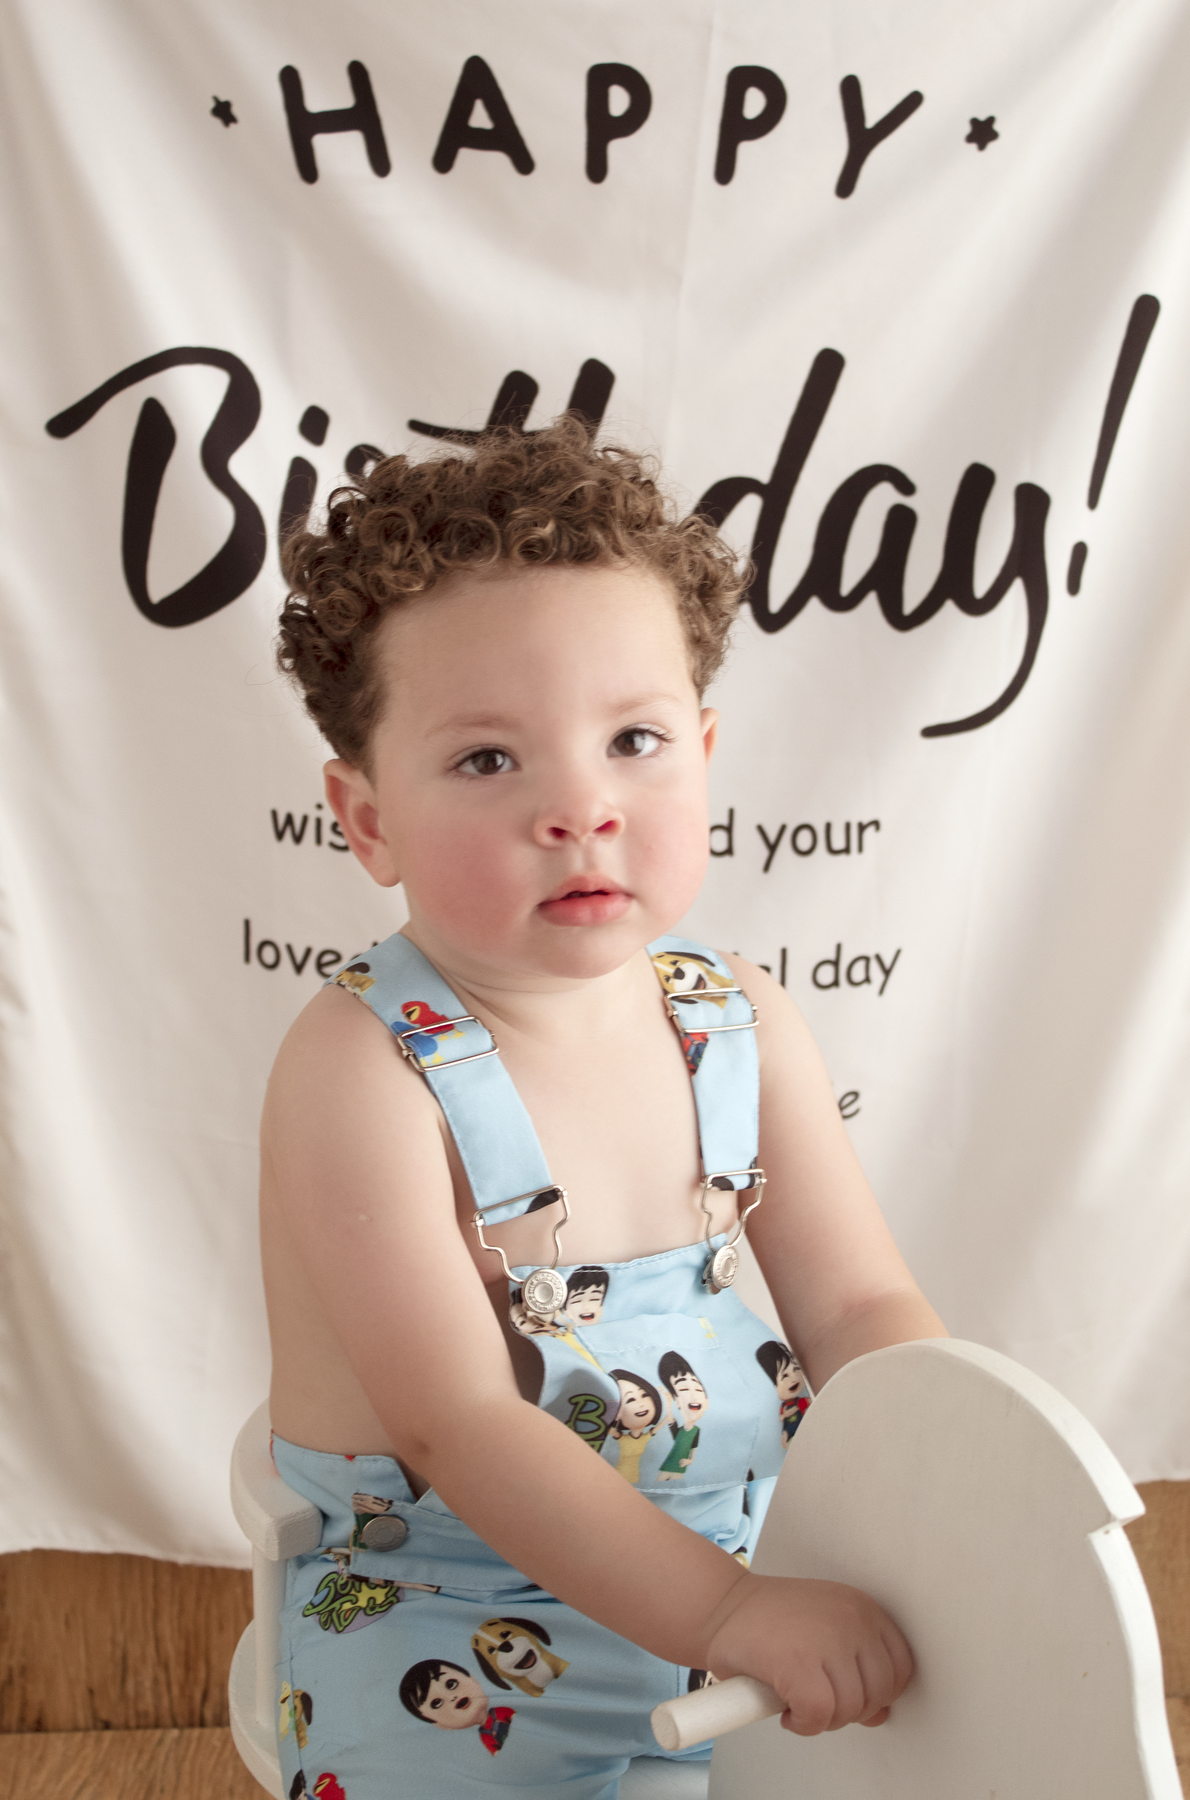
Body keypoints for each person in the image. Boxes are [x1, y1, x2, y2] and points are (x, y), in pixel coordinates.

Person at [262, 418, 946, 1799]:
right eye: (488, 760)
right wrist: (728, 1616)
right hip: (444, 1623)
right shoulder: (361, 1071)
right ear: (369, 818)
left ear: (703, 750)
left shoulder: (734, 1020)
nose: (581, 807)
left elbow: (861, 1307)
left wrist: (970, 1478)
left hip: (760, 1587)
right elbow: (462, 1421)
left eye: (634, 740)